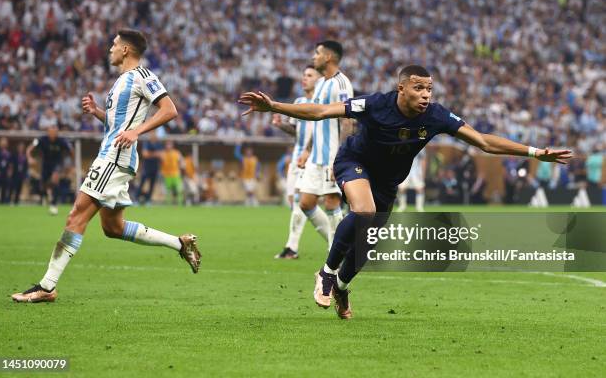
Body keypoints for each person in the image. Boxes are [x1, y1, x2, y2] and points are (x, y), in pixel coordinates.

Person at [239, 64, 572, 319]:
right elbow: (323, 112)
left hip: (387, 183)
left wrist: (534, 152)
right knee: (364, 212)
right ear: (401, 89)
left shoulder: (437, 116)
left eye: (429, 88)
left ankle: (341, 286)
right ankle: (326, 273)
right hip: (353, 162)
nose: (426, 94)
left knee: (364, 248)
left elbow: (484, 141)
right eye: (418, 88)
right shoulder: (375, 105)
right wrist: (276, 107)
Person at [12, 29, 201, 304]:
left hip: (114, 158)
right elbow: (119, 126)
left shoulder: (142, 76)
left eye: (114, 44)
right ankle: (179, 243)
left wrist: (138, 132)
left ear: (126, 49)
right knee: (113, 228)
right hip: (114, 155)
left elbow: (169, 109)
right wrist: (99, 112)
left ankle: (47, 286)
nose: (110, 48)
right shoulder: (122, 82)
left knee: (75, 216)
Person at [296, 41, 353, 249]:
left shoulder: (342, 83)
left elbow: (348, 120)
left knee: (331, 202)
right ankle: (341, 245)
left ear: (328, 57)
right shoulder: (321, 83)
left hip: (333, 155)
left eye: (317, 53)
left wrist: (341, 158)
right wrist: (307, 150)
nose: (314, 57)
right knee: (306, 203)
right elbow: (315, 119)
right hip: (316, 155)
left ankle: (336, 252)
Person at [272, 65, 321, 259]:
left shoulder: (321, 103)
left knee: (303, 202)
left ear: (318, 80)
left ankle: (291, 247)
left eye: (309, 75)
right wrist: (281, 125)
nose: (304, 78)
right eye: (304, 75)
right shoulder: (299, 101)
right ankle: (335, 241)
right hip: (297, 157)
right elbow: (295, 130)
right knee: (295, 202)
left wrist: (309, 151)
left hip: (313, 158)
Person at [26, 126, 73, 214]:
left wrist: (71, 164)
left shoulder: (62, 141)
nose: (53, 134)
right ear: (48, 132)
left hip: (57, 164)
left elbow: (71, 150)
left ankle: (54, 204)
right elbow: (29, 149)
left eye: (55, 132)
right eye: (51, 132)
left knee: (55, 179)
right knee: (43, 184)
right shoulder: (41, 140)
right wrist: (29, 158)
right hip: (45, 165)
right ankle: (45, 195)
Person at [135, 130, 163, 204]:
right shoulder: (147, 143)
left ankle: (148, 200)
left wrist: (151, 154)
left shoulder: (159, 144)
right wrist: (155, 154)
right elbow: (145, 154)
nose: (153, 135)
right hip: (146, 167)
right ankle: (136, 199)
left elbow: (161, 155)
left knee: (152, 185)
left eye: (155, 133)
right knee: (142, 183)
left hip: (155, 167)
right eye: (152, 133)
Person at [0, 137, 13, 203]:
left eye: (5, 142)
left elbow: (10, 164)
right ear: (0, 143)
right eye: (2, 142)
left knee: (4, 188)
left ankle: (2, 201)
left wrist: (10, 171)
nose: (4, 144)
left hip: (5, 173)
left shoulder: (9, 153)